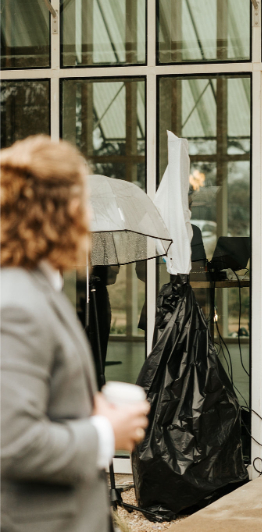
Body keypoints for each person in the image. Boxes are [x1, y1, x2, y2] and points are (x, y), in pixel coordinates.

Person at [1, 136, 150, 532]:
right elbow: (11, 443)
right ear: (61, 210)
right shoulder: (15, 305)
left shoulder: (39, 287)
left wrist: (89, 411)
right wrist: (106, 431)